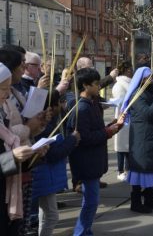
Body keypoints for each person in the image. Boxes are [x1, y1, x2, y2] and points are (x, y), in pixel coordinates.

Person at [67, 68, 123, 236]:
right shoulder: (81, 108)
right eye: (96, 84)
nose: (99, 87)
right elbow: (84, 138)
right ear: (85, 85)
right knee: (91, 201)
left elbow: (96, 130)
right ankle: (81, 232)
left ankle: (85, 230)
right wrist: (109, 131)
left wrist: (113, 125)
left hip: (92, 159)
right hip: (86, 161)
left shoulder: (91, 104)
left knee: (91, 200)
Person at [0, 61, 47, 235]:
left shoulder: (2, 118)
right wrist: (12, 157)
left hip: (8, 197)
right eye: (3, 88)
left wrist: (33, 156)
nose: (7, 94)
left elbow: (13, 164)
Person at [121, 67, 153, 213]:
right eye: (149, 77)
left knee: (151, 168)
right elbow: (148, 114)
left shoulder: (149, 91)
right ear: (141, 79)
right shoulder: (137, 95)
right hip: (142, 137)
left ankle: (150, 199)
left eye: (152, 77)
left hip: (152, 135)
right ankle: (136, 202)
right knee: (140, 169)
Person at [31, 90, 80, 236]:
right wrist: (72, 139)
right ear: (51, 106)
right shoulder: (44, 126)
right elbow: (54, 154)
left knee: (44, 213)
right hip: (45, 175)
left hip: (45, 175)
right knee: (52, 216)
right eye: (59, 102)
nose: (62, 105)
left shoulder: (47, 122)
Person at [111, 61, 133, 181]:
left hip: (129, 118)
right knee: (121, 146)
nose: (132, 71)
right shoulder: (120, 84)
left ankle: (128, 169)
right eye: (130, 69)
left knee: (128, 146)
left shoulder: (128, 83)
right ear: (126, 70)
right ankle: (120, 170)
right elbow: (120, 102)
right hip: (123, 117)